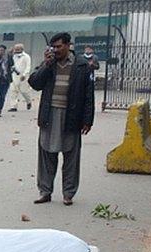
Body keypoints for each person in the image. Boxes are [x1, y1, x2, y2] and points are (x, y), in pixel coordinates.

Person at [29, 32, 95, 206]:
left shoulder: (81, 65)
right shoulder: (49, 64)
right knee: (46, 156)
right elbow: (34, 83)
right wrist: (46, 64)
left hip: (71, 116)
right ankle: (45, 192)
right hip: (49, 115)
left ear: (68, 45)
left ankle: (68, 193)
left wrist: (88, 120)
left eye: (59, 46)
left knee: (71, 158)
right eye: (54, 47)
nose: (56, 50)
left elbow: (89, 95)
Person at [7, 43, 33, 112]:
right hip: (14, 76)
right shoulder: (13, 56)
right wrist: (9, 54)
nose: (16, 51)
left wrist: (24, 75)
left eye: (18, 49)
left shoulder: (26, 56)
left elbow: (28, 66)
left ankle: (28, 101)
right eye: (15, 49)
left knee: (24, 91)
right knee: (13, 91)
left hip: (23, 77)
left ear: (22, 49)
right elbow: (10, 64)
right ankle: (13, 106)